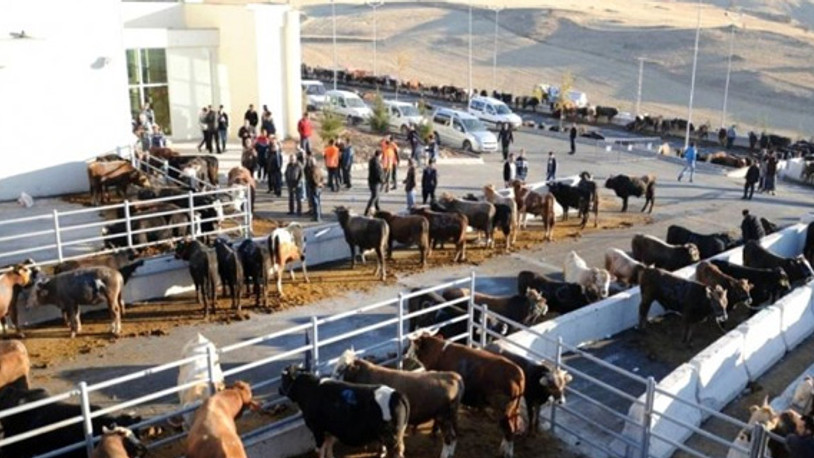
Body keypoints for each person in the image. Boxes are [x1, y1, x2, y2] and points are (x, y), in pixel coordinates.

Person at [365, 150, 385, 216]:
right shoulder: (376, 162)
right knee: (374, 196)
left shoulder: (373, 160)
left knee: (377, 196)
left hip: (373, 181)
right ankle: (367, 210)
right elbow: (377, 173)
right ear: (379, 155)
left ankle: (378, 209)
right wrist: (382, 180)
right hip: (375, 182)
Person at [304, 152, 323, 222]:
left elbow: (313, 178)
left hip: (314, 187)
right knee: (317, 202)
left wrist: (317, 183)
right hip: (318, 187)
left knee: (315, 203)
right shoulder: (318, 168)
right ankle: (317, 216)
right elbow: (322, 177)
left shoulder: (312, 170)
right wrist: (321, 183)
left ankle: (317, 217)